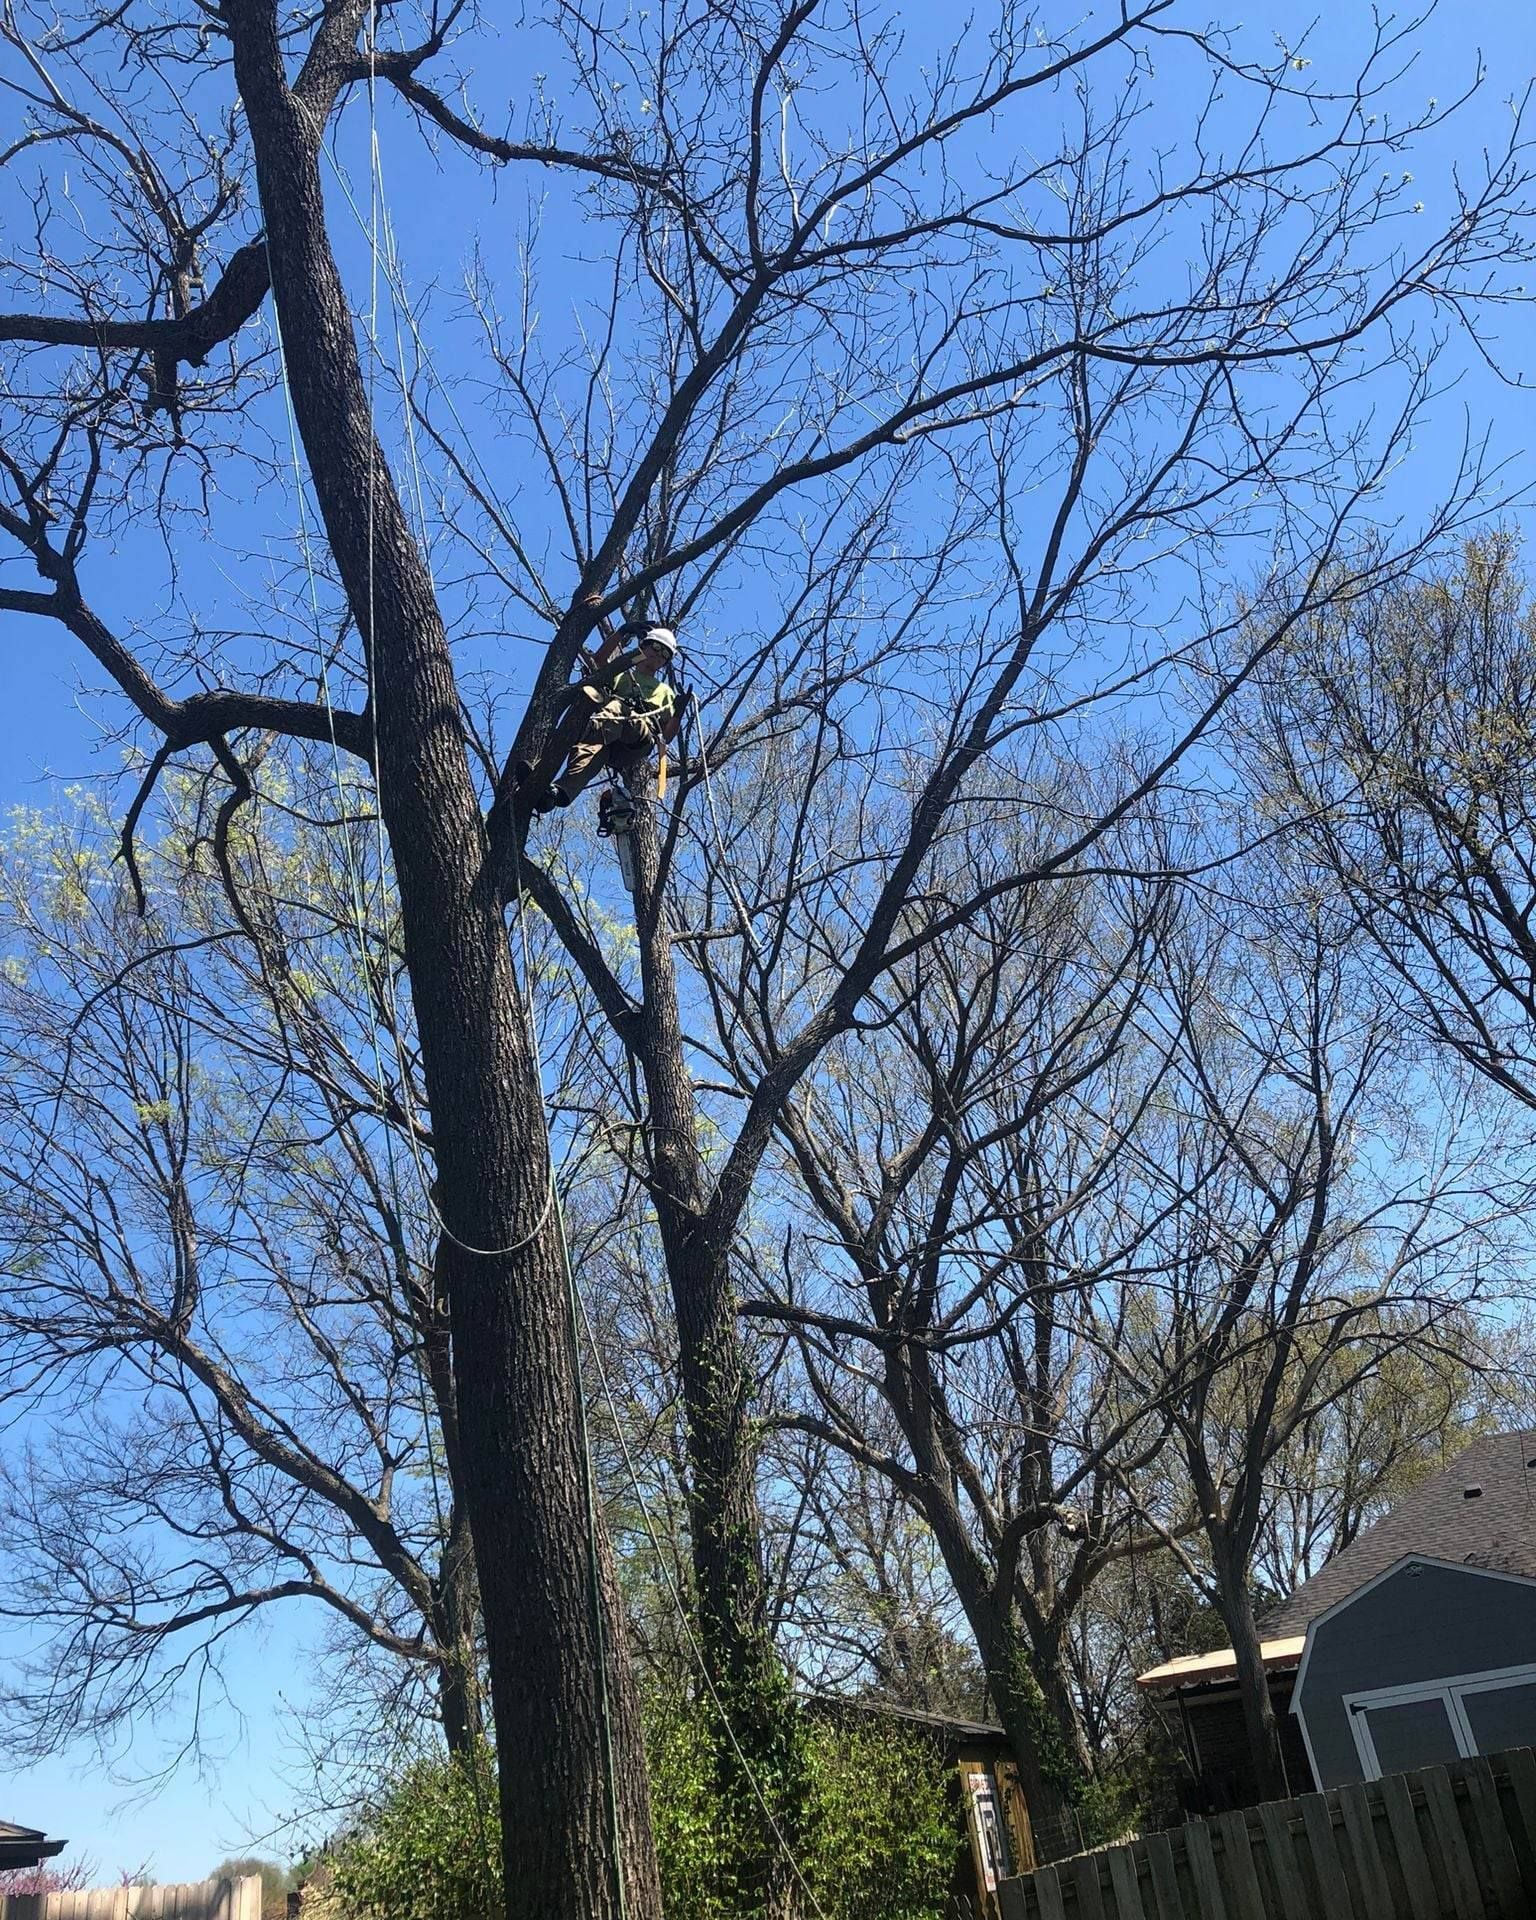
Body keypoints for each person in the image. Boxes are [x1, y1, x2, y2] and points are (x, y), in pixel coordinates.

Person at [523, 624, 680, 812]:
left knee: (616, 708)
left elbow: (666, 736)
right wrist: (622, 632)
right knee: (590, 754)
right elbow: (598, 660)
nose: (658, 655)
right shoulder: (623, 673)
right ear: (644, 646)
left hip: (637, 739)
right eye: (656, 648)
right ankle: (556, 794)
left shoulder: (665, 691)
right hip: (609, 741)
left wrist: (678, 714)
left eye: (665, 654)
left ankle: (576, 732)